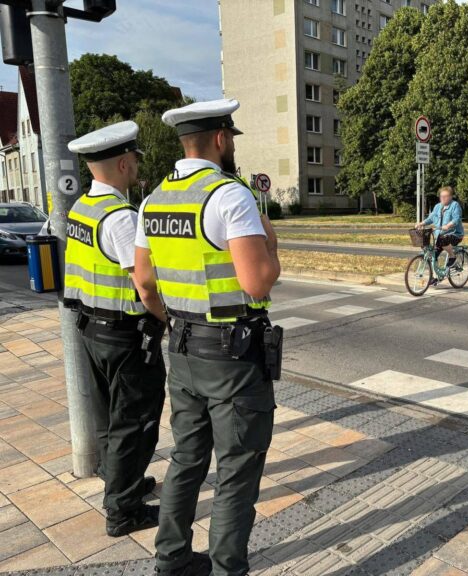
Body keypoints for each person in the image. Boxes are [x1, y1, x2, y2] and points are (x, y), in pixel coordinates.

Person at [133, 99, 281, 576]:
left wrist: (174, 323)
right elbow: (257, 281)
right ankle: (226, 569)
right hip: (233, 361)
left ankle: (171, 558)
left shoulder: (152, 199)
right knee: (237, 472)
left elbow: (144, 282)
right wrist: (272, 247)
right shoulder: (228, 195)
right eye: (232, 138)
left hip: (182, 351)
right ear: (220, 139)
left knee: (187, 459)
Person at [63, 121, 166, 537]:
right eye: (136, 159)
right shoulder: (121, 218)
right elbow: (143, 282)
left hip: (91, 328)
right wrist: (165, 317)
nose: (137, 165)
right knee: (136, 422)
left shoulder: (82, 208)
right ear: (124, 163)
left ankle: (121, 482)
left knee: (110, 419)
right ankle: (123, 511)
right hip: (125, 336)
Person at [417, 185, 464, 277]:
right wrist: (421, 223)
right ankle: (436, 276)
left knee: (443, 240)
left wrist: (448, 225)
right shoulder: (437, 206)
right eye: (441, 196)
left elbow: (456, 219)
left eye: (445, 196)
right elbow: (431, 218)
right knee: (433, 256)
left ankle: (452, 256)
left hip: (454, 234)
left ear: (450, 197)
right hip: (439, 235)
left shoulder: (455, 205)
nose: (442, 198)